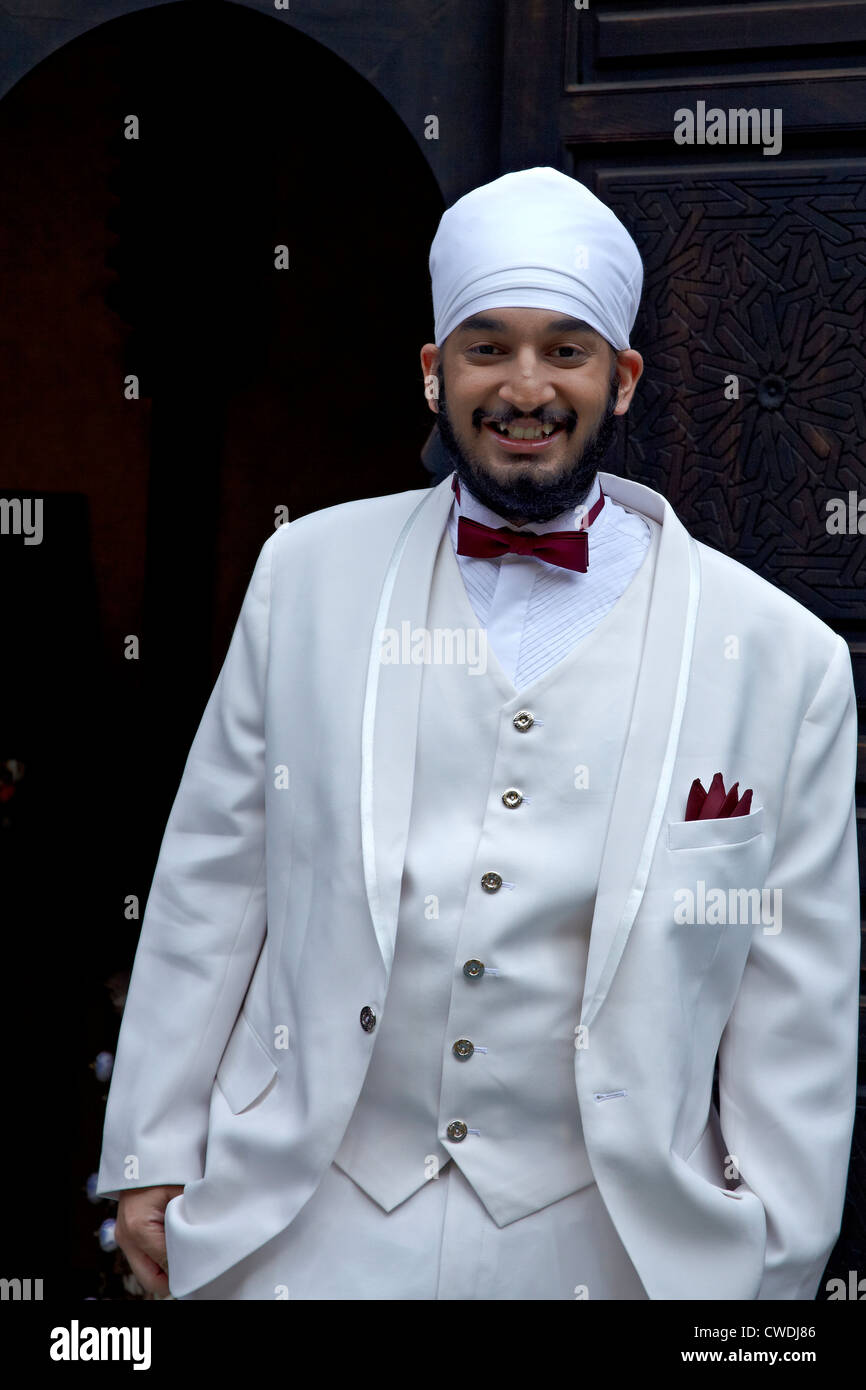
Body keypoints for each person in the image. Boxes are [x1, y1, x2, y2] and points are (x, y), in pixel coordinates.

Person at [96, 167, 860, 1301]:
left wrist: (772, 1267)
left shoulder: (780, 656)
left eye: (565, 349)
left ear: (623, 379)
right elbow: (216, 880)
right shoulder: (303, 577)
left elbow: (794, 993)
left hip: (609, 1249)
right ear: (432, 372)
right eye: (485, 347)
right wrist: (149, 1153)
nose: (524, 385)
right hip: (310, 1223)